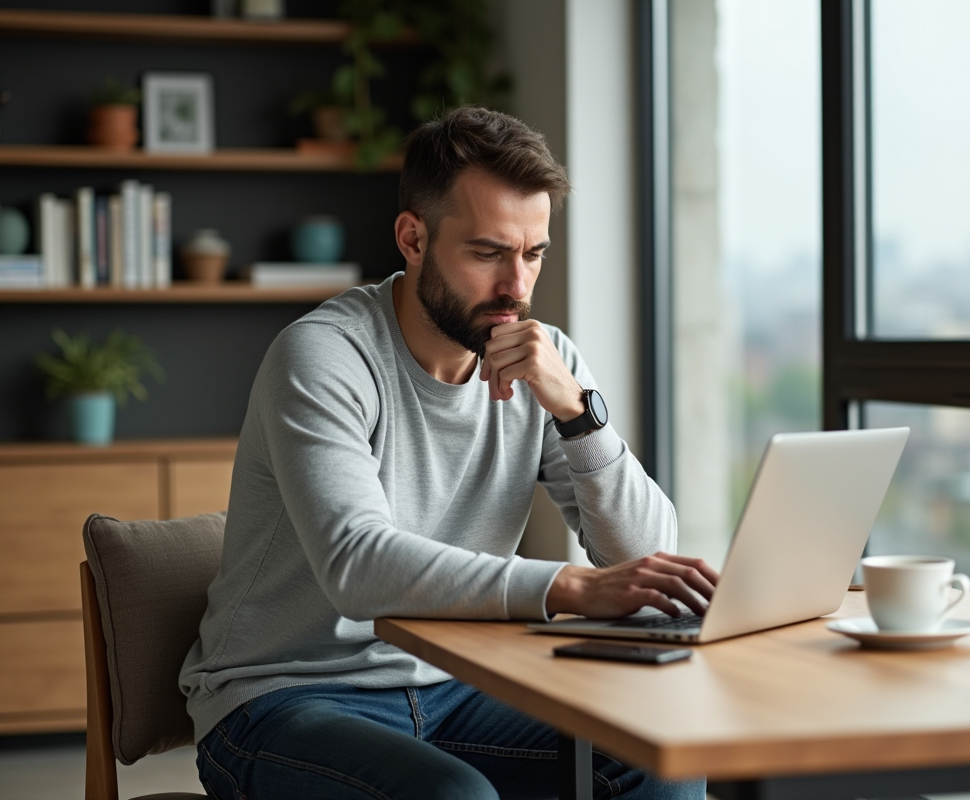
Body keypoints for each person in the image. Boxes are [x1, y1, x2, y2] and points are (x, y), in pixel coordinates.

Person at [180, 106, 716, 800]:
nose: (516, 287)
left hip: (456, 687)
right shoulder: (324, 356)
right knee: (451, 797)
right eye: (488, 253)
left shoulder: (544, 360)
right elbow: (358, 566)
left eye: (533, 254)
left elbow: (645, 554)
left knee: (656, 756)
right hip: (282, 700)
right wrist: (564, 587)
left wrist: (578, 415)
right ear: (413, 238)